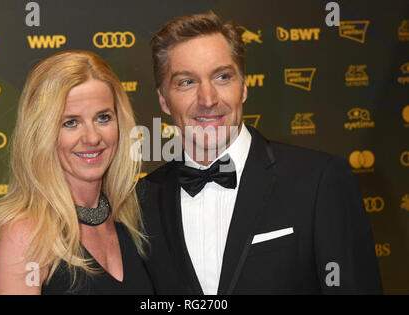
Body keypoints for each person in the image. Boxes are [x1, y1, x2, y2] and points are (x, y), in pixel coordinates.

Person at [139, 11, 383, 294]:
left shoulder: (319, 182)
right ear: (164, 100)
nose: (208, 99)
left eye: (222, 77)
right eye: (186, 82)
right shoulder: (142, 201)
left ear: (243, 87)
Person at [0, 50, 153, 295]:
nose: (92, 137)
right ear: (41, 133)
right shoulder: (26, 237)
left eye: (103, 118)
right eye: (71, 122)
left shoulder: (132, 218)